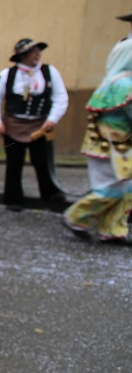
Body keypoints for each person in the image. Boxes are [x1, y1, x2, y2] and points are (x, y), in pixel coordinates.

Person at [0, 38, 69, 212]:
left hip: (39, 126)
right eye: (33, 52)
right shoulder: (7, 74)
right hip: (13, 126)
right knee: (14, 163)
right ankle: (13, 198)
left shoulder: (49, 72)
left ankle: (50, 195)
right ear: (22, 56)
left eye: (38, 51)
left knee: (42, 161)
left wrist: (52, 119)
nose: (37, 55)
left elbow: (60, 97)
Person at [62, 40, 132, 244]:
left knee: (126, 187)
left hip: (118, 146)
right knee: (111, 189)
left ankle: (112, 229)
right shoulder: (122, 84)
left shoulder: (117, 81)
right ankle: (75, 217)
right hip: (109, 147)